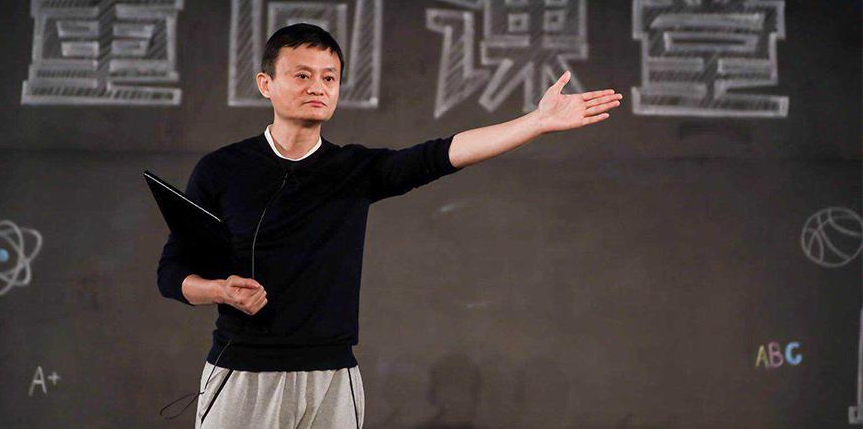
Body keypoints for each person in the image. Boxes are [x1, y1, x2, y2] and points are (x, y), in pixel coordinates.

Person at [156, 23, 622, 428]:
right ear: (266, 83)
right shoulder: (221, 170)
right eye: (302, 75)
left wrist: (536, 122)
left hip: (332, 377)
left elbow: (443, 154)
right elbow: (172, 274)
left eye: (329, 77)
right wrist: (219, 291)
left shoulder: (353, 169)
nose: (318, 87)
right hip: (242, 373)